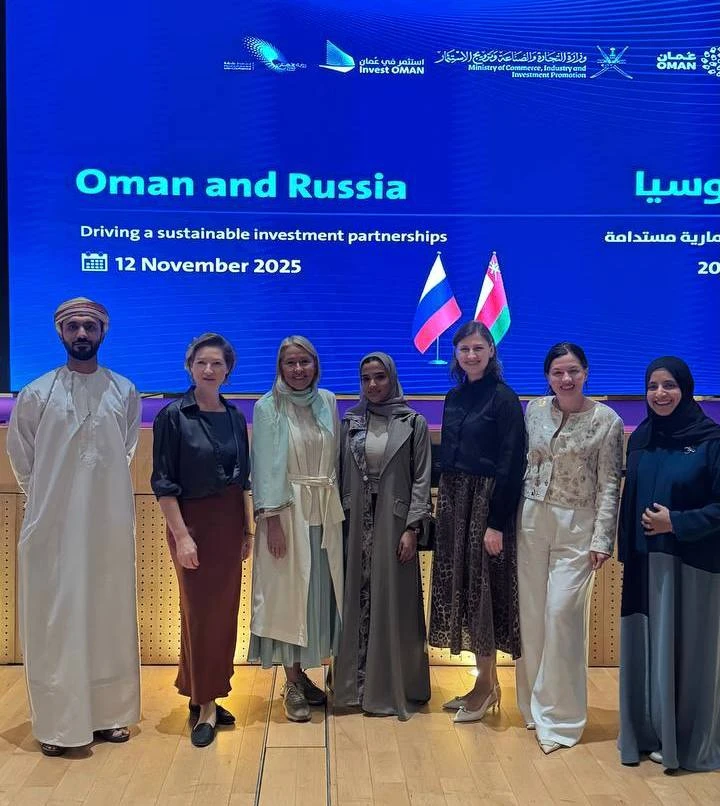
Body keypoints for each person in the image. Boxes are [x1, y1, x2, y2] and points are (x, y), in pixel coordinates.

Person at [6, 297, 141, 756]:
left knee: (108, 611)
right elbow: (22, 459)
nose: (82, 333)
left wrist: (93, 494)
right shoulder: (36, 393)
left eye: (89, 326)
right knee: (55, 619)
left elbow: (124, 451)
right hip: (52, 527)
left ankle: (109, 715)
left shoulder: (124, 390)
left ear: (103, 332)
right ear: (60, 333)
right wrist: (51, 502)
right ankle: (57, 723)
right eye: (73, 327)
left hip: (108, 523)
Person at [515, 343, 624, 754]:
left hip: (578, 525)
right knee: (531, 615)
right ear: (548, 376)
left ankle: (561, 718)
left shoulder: (607, 421)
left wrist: (602, 538)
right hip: (531, 518)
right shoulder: (534, 410)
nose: (566, 379)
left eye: (573, 371)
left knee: (562, 615)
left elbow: (610, 483)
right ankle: (532, 706)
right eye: (558, 372)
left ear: (586, 372)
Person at [618, 357, 720, 772]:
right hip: (644, 564)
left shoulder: (711, 441)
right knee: (646, 651)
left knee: (690, 655)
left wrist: (675, 522)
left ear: (686, 389)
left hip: (692, 565)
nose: (660, 394)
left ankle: (688, 742)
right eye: (653, 386)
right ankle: (647, 734)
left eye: (669, 385)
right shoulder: (641, 438)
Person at [151, 333, 253, 748]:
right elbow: (163, 483)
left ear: (228, 370)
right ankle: (207, 706)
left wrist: (246, 530)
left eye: (217, 364)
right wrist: (182, 537)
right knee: (199, 614)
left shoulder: (234, 416)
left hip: (228, 524)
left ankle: (201, 695)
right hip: (191, 524)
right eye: (201, 363)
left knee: (223, 614)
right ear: (189, 367)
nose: (209, 370)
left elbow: (242, 480)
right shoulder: (172, 416)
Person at [429, 321, 525, 723]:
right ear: (455, 353)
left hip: (486, 505)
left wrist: (496, 523)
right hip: (455, 503)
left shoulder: (504, 399)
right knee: (464, 590)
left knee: (483, 592)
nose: (471, 355)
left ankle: (486, 686)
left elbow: (512, 463)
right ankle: (483, 683)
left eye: (478, 348)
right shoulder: (454, 396)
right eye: (464, 349)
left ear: (491, 351)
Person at [248, 336, 344, 722]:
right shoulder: (267, 407)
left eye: (305, 361)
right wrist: (272, 522)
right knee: (288, 598)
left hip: (325, 512)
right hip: (287, 514)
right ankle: (290, 682)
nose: (298, 369)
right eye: (291, 362)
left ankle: (305, 675)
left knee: (318, 596)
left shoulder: (328, 401)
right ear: (280, 367)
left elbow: (335, 457)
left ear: (315, 364)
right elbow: (264, 468)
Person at [334, 352, 432, 720]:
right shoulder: (350, 422)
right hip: (355, 522)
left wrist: (412, 527)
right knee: (355, 600)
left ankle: (394, 688)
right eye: (366, 379)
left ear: (391, 378)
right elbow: (338, 472)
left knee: (394, 602)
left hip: (395, 523)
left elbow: (421, 479)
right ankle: (353, 687)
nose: (373, 385)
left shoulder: (413, 422)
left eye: (380, 377)